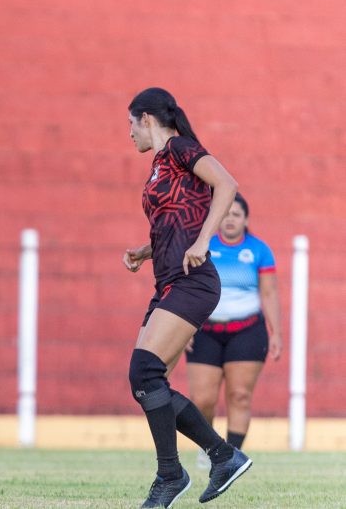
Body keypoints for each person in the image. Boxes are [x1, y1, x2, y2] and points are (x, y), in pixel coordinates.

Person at [122, 87, 251, 507]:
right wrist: (147, 250)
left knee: (146, 371)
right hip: (168, 280)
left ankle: (179, 472)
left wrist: (204, 240)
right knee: (145, 381)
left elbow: (227, 185)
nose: (129, 135)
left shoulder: (179, 148)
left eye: (130, 124)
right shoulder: (159, 165)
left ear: (147, 119)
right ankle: (213, 459)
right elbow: (177, 217)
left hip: (193, 280)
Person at [185, 193, 282, 469]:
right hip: (205, 331)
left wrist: (276, 333)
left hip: (247, 331)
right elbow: (189, 290)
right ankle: (208, 447)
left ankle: (230, 459)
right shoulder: (202, 247)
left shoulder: (260, 250)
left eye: (236, 214)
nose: (230, 220)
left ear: (246, 220)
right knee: (203, 399)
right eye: (225, 214)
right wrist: (184, 328)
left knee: (239, 395)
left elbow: (269, 292)